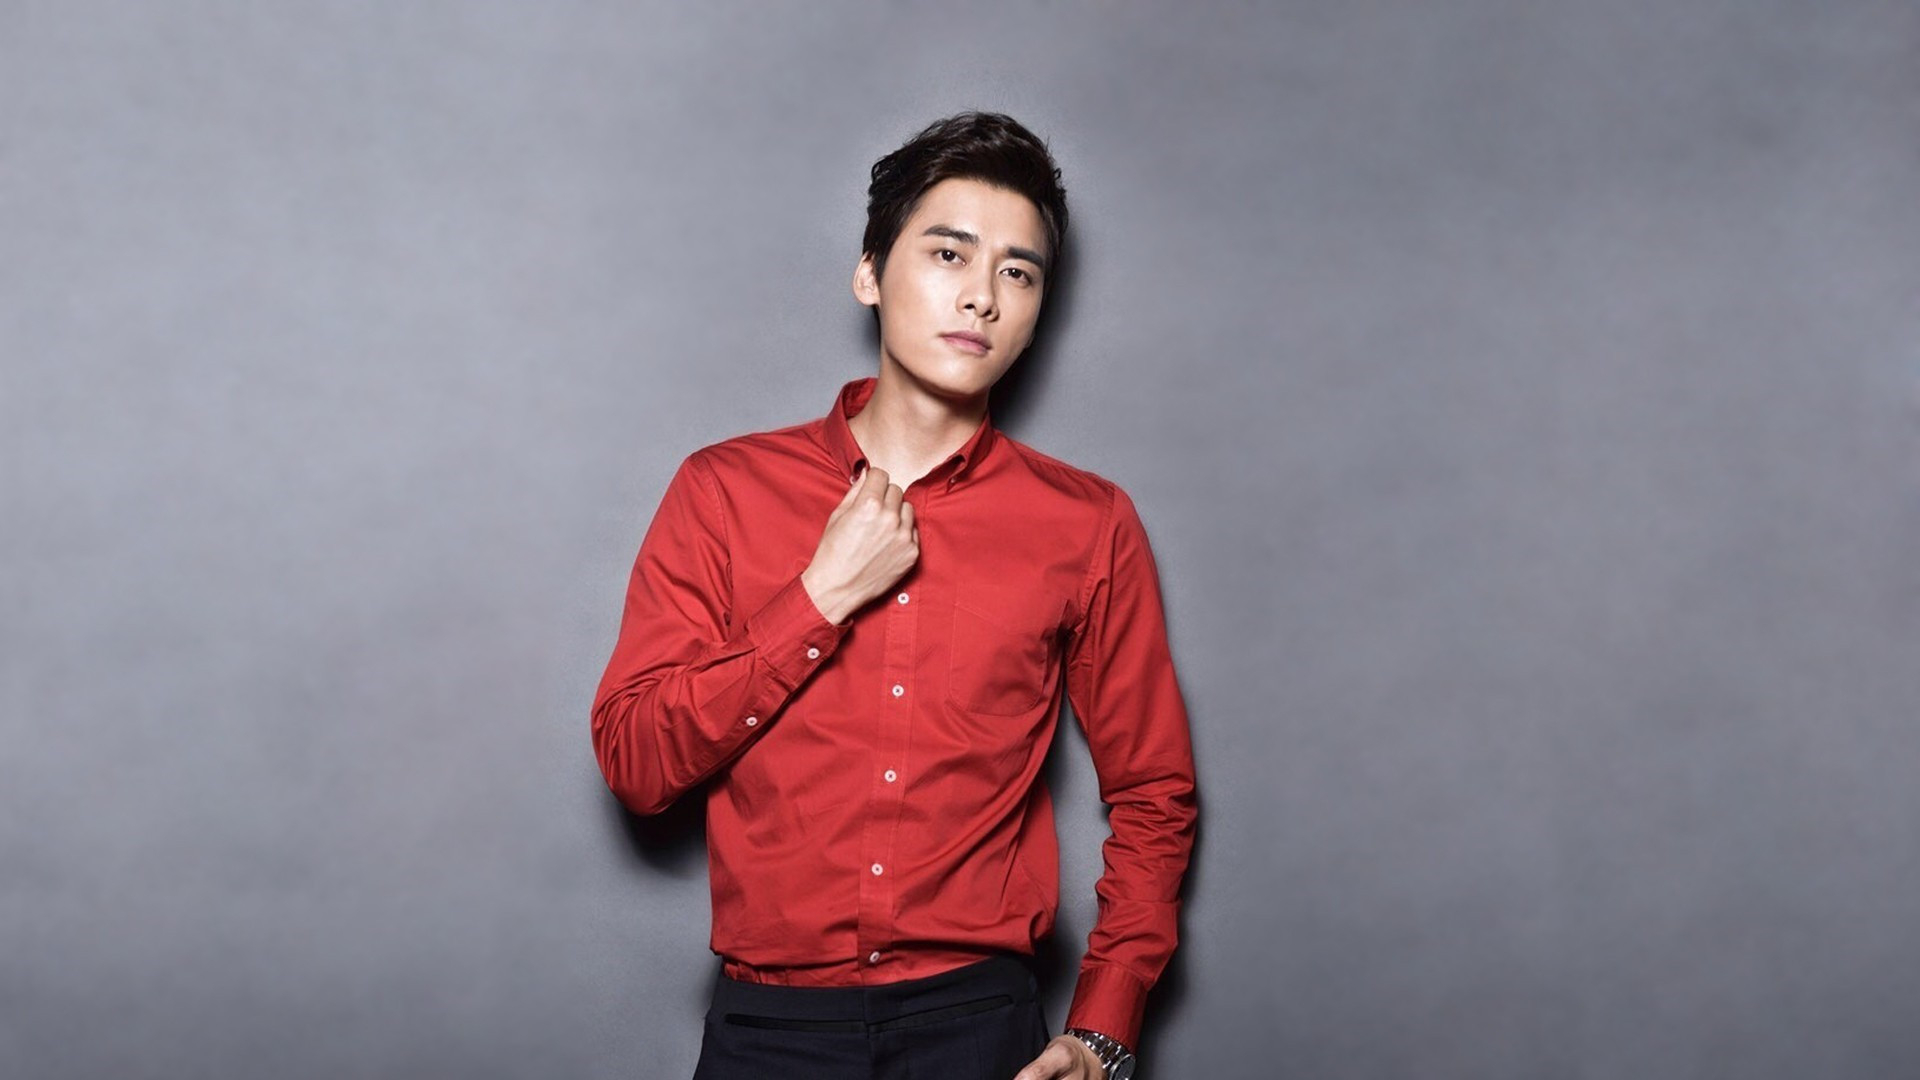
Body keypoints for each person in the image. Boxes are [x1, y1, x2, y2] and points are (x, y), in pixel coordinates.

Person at [591, 111, 1197, 1080]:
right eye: (949, 254)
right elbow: (635, 762)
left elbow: (1153, 792)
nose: (982, 297)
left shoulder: (1088, 525)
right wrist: (817, 599)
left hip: (981, 1029)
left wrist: (1105, 1026)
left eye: (1018, 272)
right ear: (869, 273)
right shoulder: (723, 492)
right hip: (771, 1034)